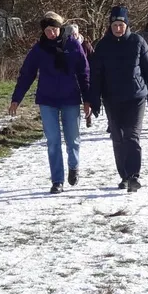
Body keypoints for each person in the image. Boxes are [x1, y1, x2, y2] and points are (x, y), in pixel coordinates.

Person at [8, 12, 91, 193]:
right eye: (48, 31)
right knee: (53, 141)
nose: (51, 34)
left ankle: (74, 165)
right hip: (47, 100)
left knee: (72, 139)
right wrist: (16, 99)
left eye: (54, 30)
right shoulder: (39, 49)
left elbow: (84, 73)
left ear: (60, 29)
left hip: (70, 98)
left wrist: (88, 99)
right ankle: (57, 180)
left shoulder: (73, 45)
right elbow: (26, 74)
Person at [87, 5, 148, 193]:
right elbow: (96, 76)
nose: (118, 28)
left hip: (135, 98)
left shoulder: (137, 42)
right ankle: (124, 176)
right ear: (110, 26)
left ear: (126, 24)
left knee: (132, 136)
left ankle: (134, 176)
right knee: (118, 138)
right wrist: (94, 100)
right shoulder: (103, 46)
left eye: (121, 24)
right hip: (112, 99)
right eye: (114, 25)